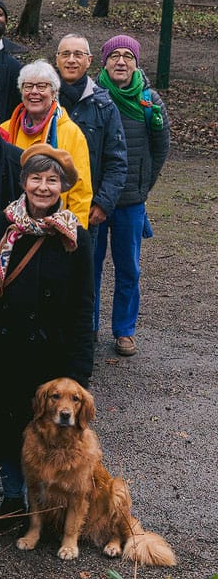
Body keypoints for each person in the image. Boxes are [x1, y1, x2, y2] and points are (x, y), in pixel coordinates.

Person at [0, 145, 94, 527]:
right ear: (24, 182)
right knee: (4, 425)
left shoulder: (75, 237)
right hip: (3, 348)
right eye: (36, 178)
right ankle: (13, 498)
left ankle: (43, 505)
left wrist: (79, 369)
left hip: (49, 353)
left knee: (45, 430)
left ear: (63, 187)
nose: (43, 187)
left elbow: (83, 306)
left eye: (52, 180)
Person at [93, 35, 171, 356]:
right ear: (105, 62)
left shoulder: (149, 101)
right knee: (90, 266)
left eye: (128, 56)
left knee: (129, 269)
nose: (121, 61)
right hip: (96, 201)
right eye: (115, 56)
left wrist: (142, 185)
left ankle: (124, 330)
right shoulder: (92, 96)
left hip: (130, 203)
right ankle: (89, 325)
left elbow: (161, 147)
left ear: (137, 63)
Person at [2, 61, 93, 226]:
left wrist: (75, 230)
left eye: (42, 86)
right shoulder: (5, 130)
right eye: (28, 86)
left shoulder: (71, 133)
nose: (34, 92)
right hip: (12, 223)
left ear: (54, 92)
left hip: (56, 225)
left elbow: (81, 190)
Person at [54, 35, 127, 238]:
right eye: (65, 54)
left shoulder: (104, 107)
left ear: (89, 60)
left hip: (84, 209)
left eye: (78, 54)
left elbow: (117, 160)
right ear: (57, 59)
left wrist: (103, 203)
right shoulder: (40, 98)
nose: (71, 60)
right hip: (41, 203)